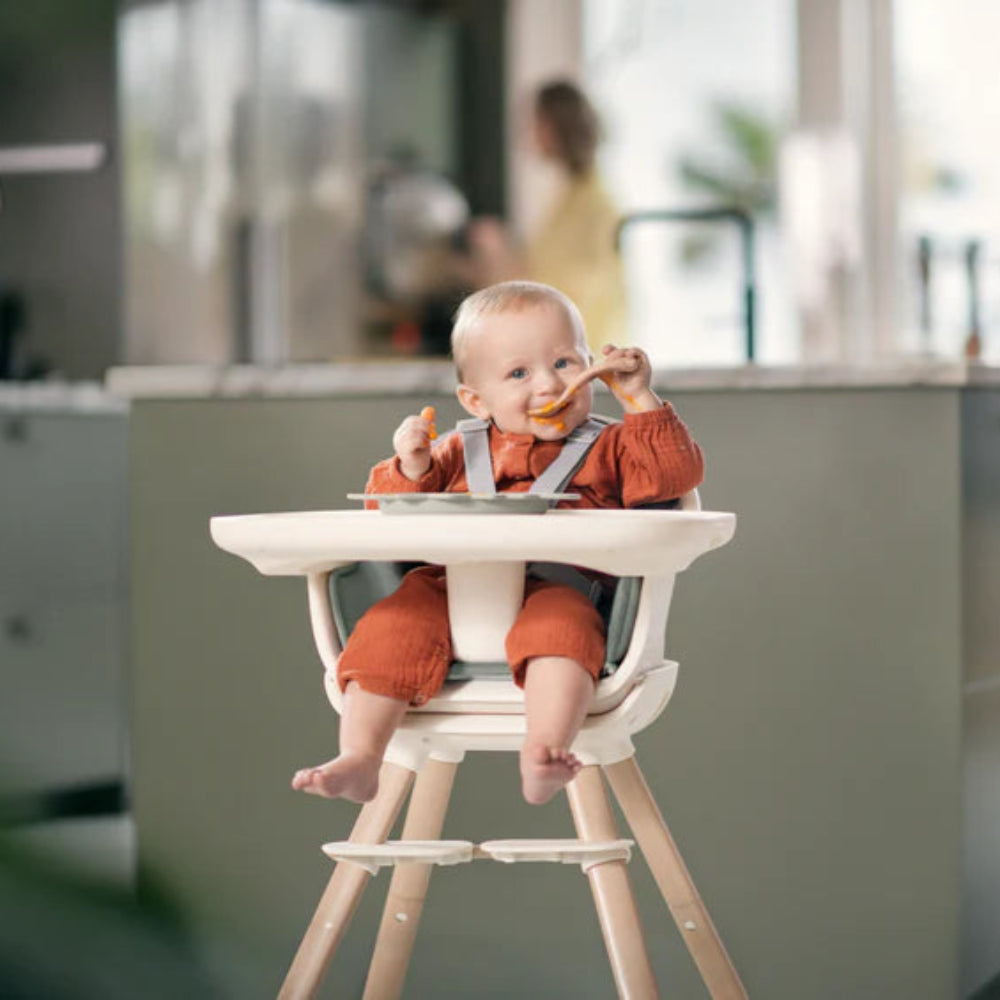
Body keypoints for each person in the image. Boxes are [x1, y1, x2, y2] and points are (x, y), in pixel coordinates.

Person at [292, 281, 703, 806]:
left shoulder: (613, 448)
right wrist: (412, 466)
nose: (549, 385)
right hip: (448, 591)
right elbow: (384, 511)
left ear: (590, 366)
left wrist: (640, 400)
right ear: (475, 400)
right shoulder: (455, 452)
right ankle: (360, 756)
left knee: (562, 633)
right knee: (389, 626)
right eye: (519, 374)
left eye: (564, 363)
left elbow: (673, 477)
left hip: (563, 587)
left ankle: (545, 750)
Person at [469, 80, 628, 355]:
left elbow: (556, 296)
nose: (527, 134)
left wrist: (497, 253)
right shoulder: (569, 199)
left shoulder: (594, 207)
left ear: (556, 127)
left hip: (580, 361)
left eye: (534, 123)